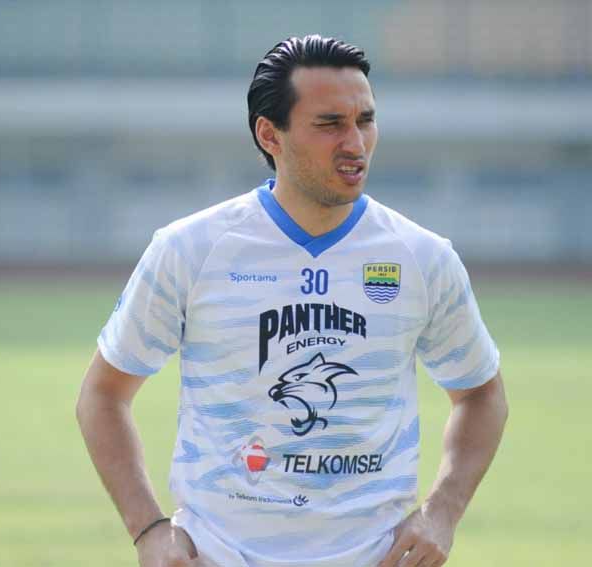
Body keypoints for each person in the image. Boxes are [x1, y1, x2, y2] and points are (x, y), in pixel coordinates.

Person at [76, 35, 508, 567]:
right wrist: (149, 531)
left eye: (365, 120)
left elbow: (481, 395)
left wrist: (443, 510)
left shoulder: (422, 257)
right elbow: (103, 395)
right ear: (269, 134)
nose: (355, 142)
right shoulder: (191, 250)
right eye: (330, 124)